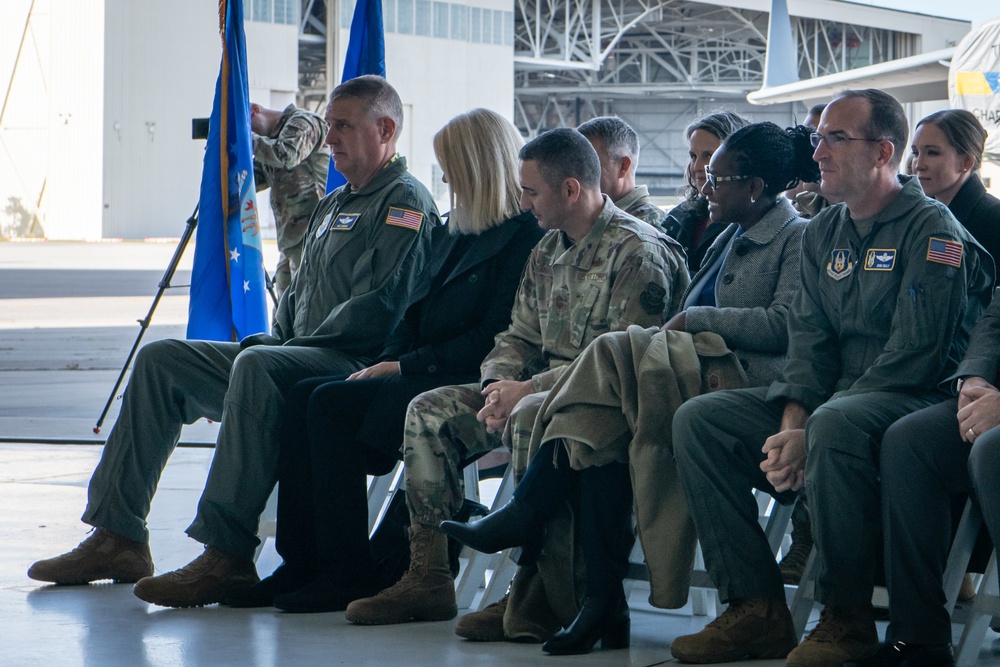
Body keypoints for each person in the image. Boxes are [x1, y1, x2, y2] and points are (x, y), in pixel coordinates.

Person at [27, 75, 442, 609]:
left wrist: (280, 349)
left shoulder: (404, 204)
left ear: (385, 129)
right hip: (294, 355)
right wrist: (272, 339)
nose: (331, 138)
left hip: (352, 365)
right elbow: (297, 290)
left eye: (343, 126)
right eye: (331, 124)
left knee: (259, 366)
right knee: (163, 361)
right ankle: (118, 535)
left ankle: (226, 554)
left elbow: (380, 310)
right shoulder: (335, 202)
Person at [442, 121, 817, 653]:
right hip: (681, 373)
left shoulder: (795, 236)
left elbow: (787, 325)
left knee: (614, 351)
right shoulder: (727, 234)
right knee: (598, 428)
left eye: (718, 177)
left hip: (736, 381)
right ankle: (599, 605)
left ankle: (529, 523)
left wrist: (701, 318)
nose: (704, 185)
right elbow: (518, 332)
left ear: (754, 187)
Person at [668, 89, 994, 666]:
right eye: (819, 139)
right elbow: (808, 344)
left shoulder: (933, 231)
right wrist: (795, 423)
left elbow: (915, 355)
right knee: (702, 421)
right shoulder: (824, 233)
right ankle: (755, 608)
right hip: (831, 408)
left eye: (836, 139)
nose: (817, 151)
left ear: (881, 152)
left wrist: (812, 424)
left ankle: (846, 618)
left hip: (905, 401)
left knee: (838, 423)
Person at [341, 127, 689, 627]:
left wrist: (526, 391)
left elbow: (620, 361)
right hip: (533, 390)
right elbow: (516, 335)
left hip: (605, 401)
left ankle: (537, 591)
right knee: (428, 411)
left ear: (570, 190)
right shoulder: (547, 250)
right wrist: (495, 386)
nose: (523, 203)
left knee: (528, 415)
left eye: (531, 192)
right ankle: (428, 578)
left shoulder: (638, 253)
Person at [219, 108, 544, 612]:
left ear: (479, 165)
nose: (445, 177)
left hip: (465, 376)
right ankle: (304, 561)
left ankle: (346, 571)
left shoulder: (523, 238)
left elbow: (493, 336)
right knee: (304, 395)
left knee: (327, 406)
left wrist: (407, 366)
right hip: (416, 366)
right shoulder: (452, 230)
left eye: (451, 165)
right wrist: (393, 356)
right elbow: (407, 313)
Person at [250, 103, 330, 296]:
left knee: (307, 309)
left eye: (249, 127)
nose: (252, 133)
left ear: (254, 110)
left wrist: (242, 137)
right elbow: (249, 181)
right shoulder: (269, 143)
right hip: (292, 240)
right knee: (285, 315)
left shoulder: (302, 122)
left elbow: (287, 155)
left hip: (313, 235)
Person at [911, 108, 1000, 277]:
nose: (918, 164)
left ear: (965, 161)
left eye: (932, 152)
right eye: (915, 153)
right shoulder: (919, 216)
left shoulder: (994, 219)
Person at [664, 111, 751, 271]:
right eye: (693, 156)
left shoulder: (748, 224)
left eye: (708, 156)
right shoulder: (678, 217)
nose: (696, 167)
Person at [577, 116, 667, 229]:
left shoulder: (648, 228)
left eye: (590, 165)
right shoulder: (591, 220)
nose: (577, 175)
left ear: (623, 166)